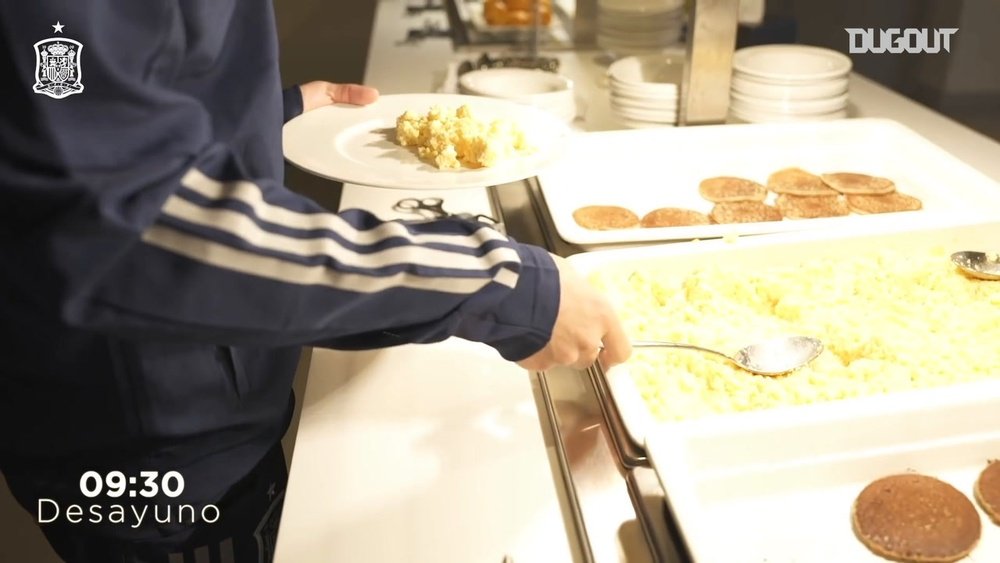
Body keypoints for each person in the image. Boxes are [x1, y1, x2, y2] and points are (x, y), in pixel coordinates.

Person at [0, 2, 631, 562]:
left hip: (202, 407)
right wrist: (492, 282)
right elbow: (124, 225)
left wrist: (258, 111)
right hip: (146, 464)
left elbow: (83, 115)